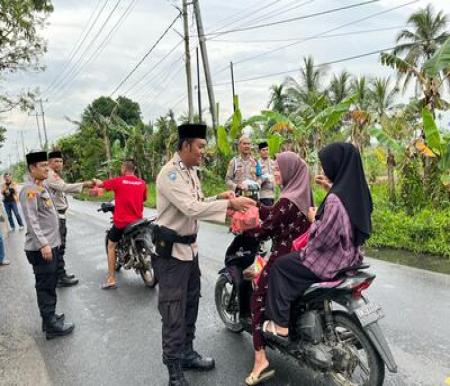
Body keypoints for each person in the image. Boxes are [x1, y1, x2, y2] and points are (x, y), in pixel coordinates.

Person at [154, 123, 255, 386]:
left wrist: (217, 197)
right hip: (173, 255)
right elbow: (189, 208)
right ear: (185, 145)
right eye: (199, 146)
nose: (203, 151)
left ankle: (187, 352)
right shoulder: (171, 174)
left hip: (190, 251)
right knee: (173, 310)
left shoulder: (191, 172)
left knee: (190, 305)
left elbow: (197, 203)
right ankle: (174, 370)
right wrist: (229, 203)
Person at [263, 142, 373, 343]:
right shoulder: (357, 192)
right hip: (350, 255)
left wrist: (315, 220)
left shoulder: (334, 201)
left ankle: (280, 325)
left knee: (281, 266)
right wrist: (329, 187)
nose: (324, 169)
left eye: (326, 164)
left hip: (332, 258)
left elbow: (324, 239)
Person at [243, 152, 313, 385]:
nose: (274, 173)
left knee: (256, 299)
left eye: (278, 169)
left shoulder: (286, 201)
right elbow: (275, 215)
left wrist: (243, 228)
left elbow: (266, 229)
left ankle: (260, 358)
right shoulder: (303, 195)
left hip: (283, 257)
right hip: (303, 257)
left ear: (290, 172)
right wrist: (255, 205)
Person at [19, 151, 75, 339]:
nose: (47, 168)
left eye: (46, 165)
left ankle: (49, 318)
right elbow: (32, 220)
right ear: (32, 168)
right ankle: (51, 325)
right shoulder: (30, 190)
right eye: (43, 165)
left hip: (51, 245)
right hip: (42, 248)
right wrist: (43, 244)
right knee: (45, 286)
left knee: (49, 284)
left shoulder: (40, 187)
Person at [95, 159, 147, 289]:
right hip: (138, 221)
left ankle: (111, 278)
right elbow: (144, 199)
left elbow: (102, 185)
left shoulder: (119, 181)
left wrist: (95, 182)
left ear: (124, 169)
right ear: (134, 169)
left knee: (111, 245)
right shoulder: (142, 183)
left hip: (122, 223)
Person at [47, 150, 95, 287]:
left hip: (59, 215)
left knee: (60, 247)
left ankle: (60, 273)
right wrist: (86, 184)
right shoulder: (51, 175)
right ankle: (60, 276)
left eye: (61, 161)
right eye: (56, 161)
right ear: (49, 163)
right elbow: (64, 187)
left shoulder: (54, 175)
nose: (59, 164)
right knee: (59, 248)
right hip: (56, 217)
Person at [256, 142, 276, 206]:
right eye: (263, 150)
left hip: (273, 194)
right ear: (259, 151)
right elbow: (255, 179)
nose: (265, 152)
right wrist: (264, 178)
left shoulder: (273, 162)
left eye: (267, 149)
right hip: (263, 194)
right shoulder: (257, 164)